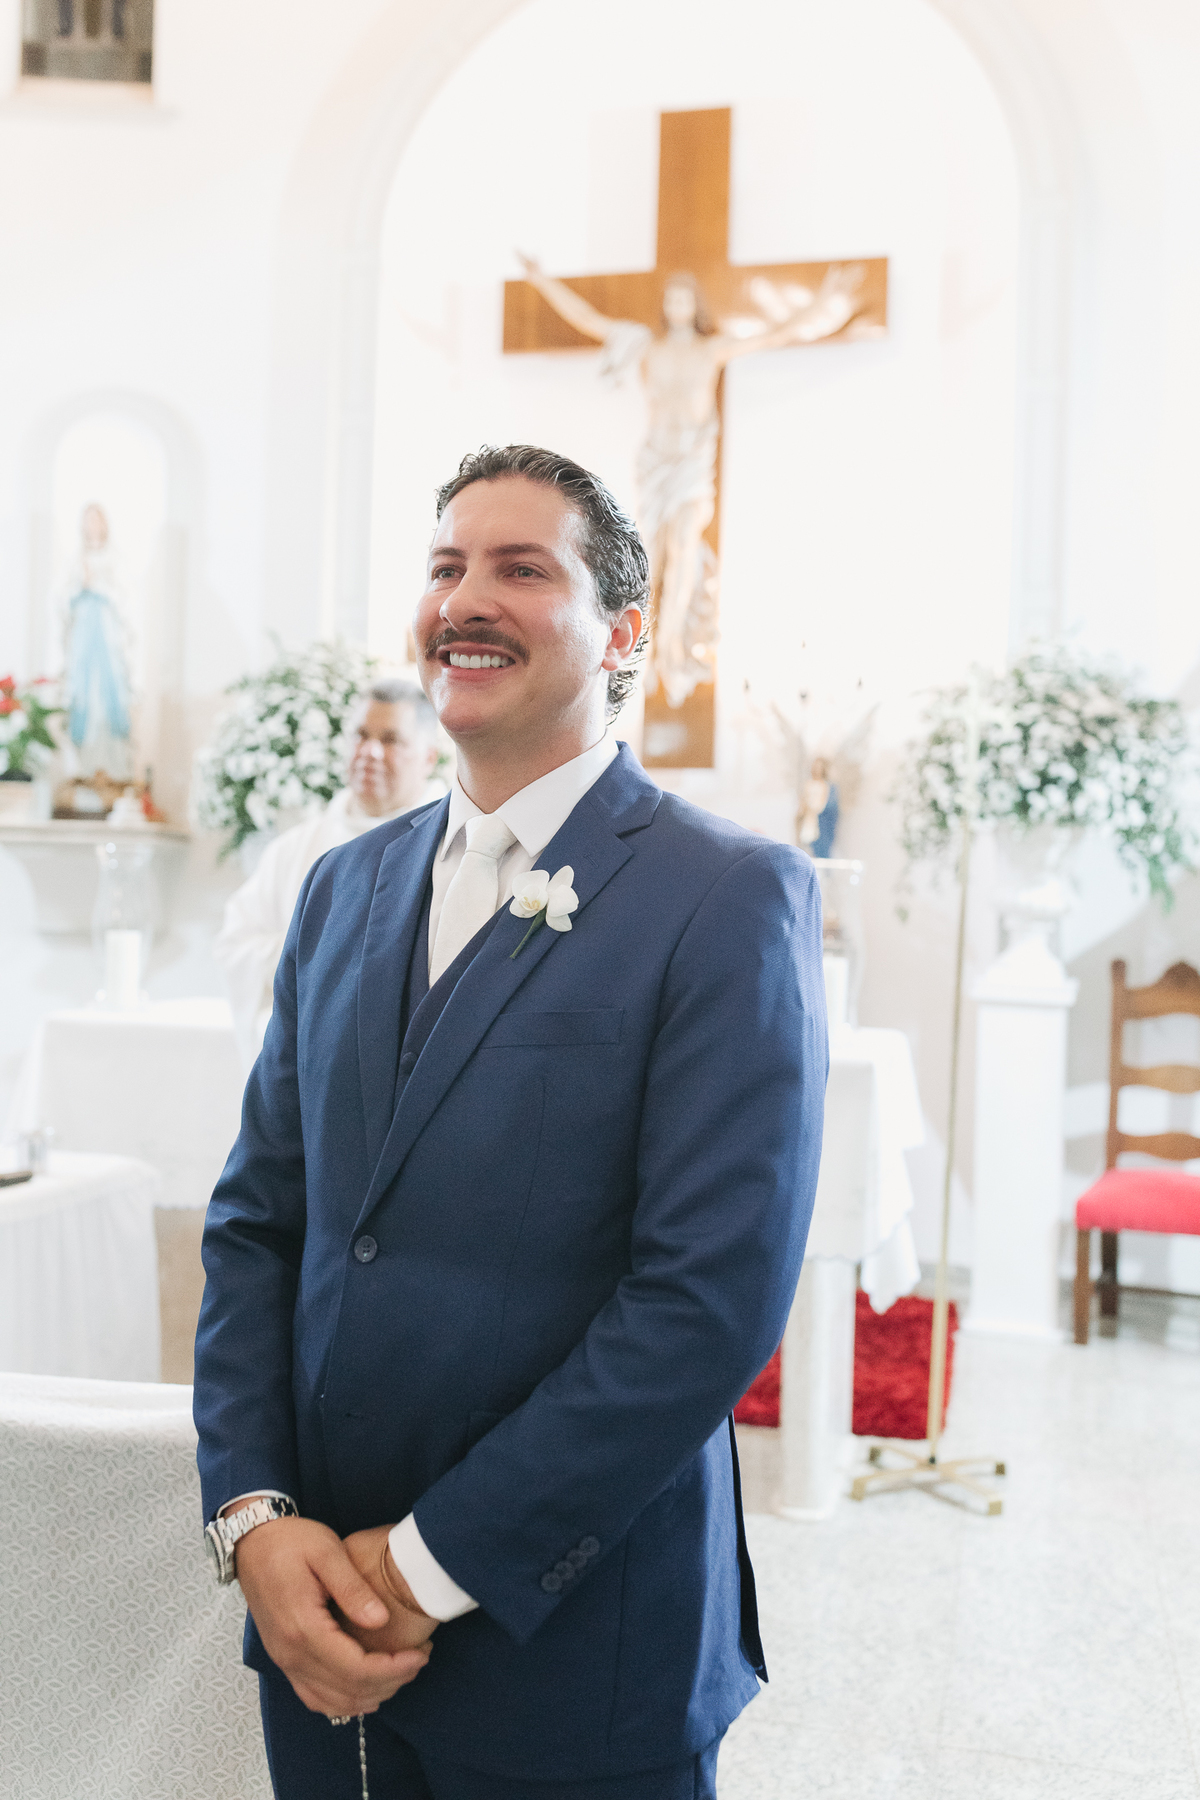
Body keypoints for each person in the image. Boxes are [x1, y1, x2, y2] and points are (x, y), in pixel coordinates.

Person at [193, 444, 827, 1799]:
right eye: (445, 567)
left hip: (574, 1651)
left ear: (625, 633)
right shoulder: (340, 888)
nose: (464, 600)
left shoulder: (725, 897)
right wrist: (255, 1520)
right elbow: (259, 1225)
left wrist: (425, 1569)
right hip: (315, 1624)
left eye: (522, 569)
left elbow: (705, 1302)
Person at [214, 679, 441, 1067]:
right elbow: (236, 945)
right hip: (307, 1059)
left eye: (390, 740)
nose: (369, 752)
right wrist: (315, 961)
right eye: (361, 735)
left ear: (429, 758)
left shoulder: (449, 844)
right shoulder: (295, 849)